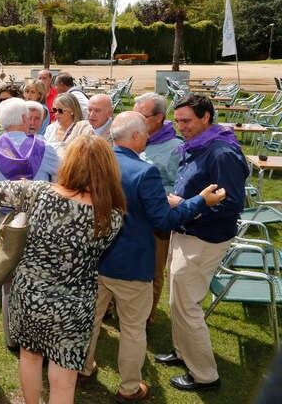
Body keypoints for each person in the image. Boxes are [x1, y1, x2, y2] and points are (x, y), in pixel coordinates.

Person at [80, 111, 225, 402]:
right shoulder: (145, 171)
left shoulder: (96, 162)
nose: (148, 137)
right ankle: (130, 388)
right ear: (134, 136)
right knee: (132, 329)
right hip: (132, 264)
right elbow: (162, 221)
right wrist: (200, 201)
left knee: (90, 321)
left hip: (96, 258)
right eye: (145, 133)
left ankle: (83, 369)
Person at [0, 135, 126, 404]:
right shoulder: (113, 215)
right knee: (64, 378)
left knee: (30, 356)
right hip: (75, 302)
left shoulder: (39, 192)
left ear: (69, 163)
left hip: (30, 295)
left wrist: (25, 188)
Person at [154, 94, 248, 392]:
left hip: (204, 238)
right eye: (177, 121)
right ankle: (183, 353)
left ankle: (205, 375)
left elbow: (232, 203)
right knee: (177, 301)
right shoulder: (201, 145)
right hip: (186, 231)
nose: (181, 127)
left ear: (206, 117)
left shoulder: (221, 153)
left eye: (187, 121)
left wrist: (185, 203)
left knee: (187, 306)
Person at [0, 97, 60, 349]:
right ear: (25, 119)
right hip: (39, 219)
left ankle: (13, 337)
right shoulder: (44, 149)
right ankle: (39, 335)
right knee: (41, 277)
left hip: (5, 219)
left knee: (9, 279)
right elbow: (59, 182)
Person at [133, 92, 185, 324]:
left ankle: (147, 315)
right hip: (130, 215)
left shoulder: (176, 148)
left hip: (156, 220)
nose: (136, 119)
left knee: (153, 269)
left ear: (159, 117)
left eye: (141, 115)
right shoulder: (134, 138)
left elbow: (179, 187)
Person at [44, 93, 94, 158]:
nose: (56, 113)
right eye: (54, 110)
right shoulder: (51, 128)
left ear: (72, 111)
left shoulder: (81, 130)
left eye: (60, 110)